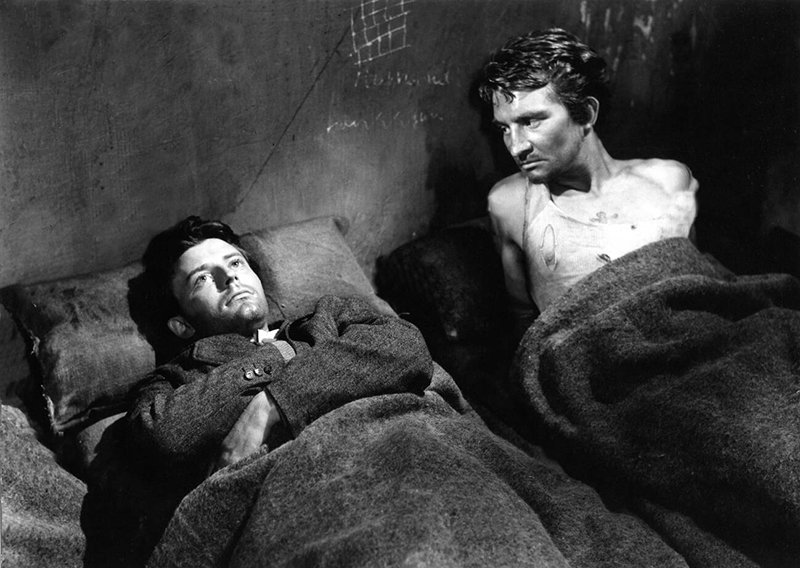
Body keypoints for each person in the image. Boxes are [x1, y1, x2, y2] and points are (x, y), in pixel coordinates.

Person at [125, 215, 432, 490]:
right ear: (182, 326)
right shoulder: (172, 381)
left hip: (408, 453)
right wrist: (277, 354)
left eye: (235, 263)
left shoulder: (329, 315)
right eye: (202, 278)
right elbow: (163, 435)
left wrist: (271, 403)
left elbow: (407, 348)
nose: (229, 277)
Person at [478, 28, 698, 333]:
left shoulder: (669, 181)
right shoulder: (511, 203)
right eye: (504, 128)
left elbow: (700, 293)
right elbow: (527, 332)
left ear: (586, 112)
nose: (516, 147)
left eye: (531, 121)